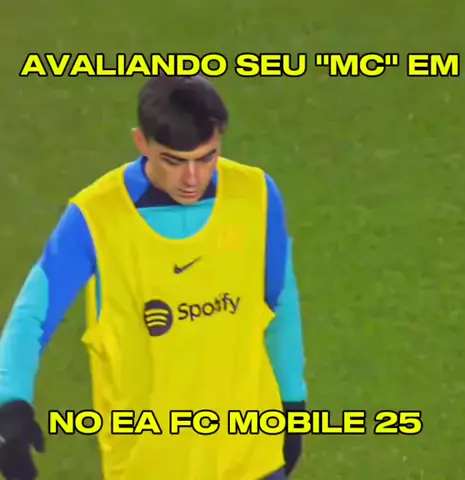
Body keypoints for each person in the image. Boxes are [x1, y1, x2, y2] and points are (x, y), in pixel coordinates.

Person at [0, 74, 307, 480]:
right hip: (149, 468)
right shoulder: (95, 217)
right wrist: (10, 405)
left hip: (252, 461)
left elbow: (279, 300)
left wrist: (293, 403)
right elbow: (32, 317)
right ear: (141, 143)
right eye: (174, 161)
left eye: (207, 157)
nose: (193, 178)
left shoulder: (256, 194)